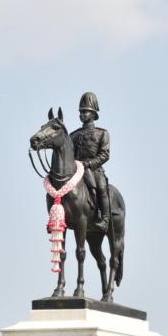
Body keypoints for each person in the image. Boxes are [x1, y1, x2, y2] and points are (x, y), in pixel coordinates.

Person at [69, 91, 111, 232]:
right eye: (81, 112)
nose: (82, 114)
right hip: (76, 170)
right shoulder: (73, 135)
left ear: (93, 114)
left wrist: (89, 164)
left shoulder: (102, 133)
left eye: (85, 111)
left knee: (101, 187)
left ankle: (104, 219)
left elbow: (105, 155)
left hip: (94, 169)